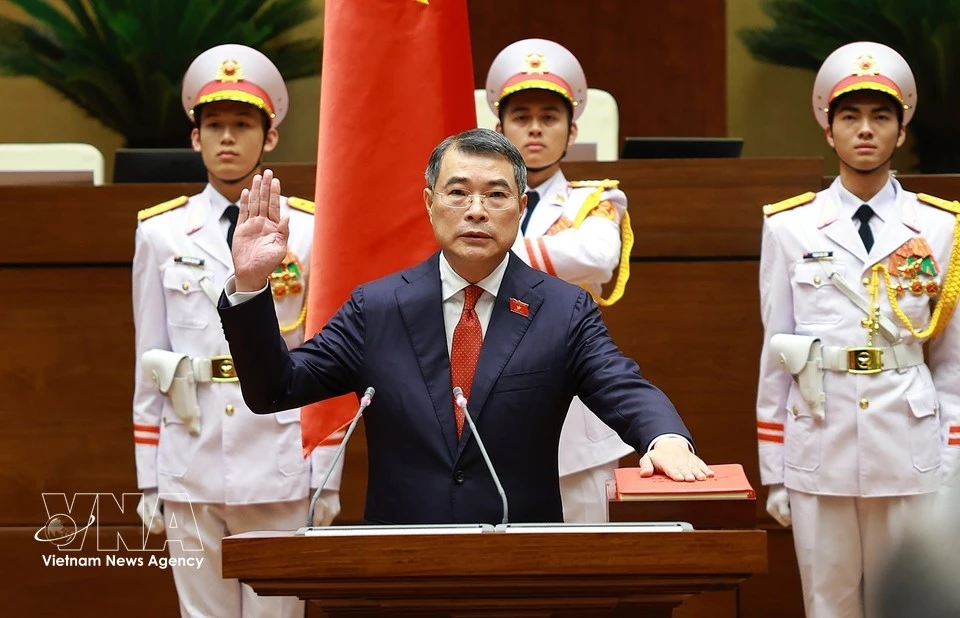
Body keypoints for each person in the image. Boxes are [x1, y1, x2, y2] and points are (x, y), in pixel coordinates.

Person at [217, 128, 712, 525]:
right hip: (398, 564)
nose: (476, 210)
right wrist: (251, 285)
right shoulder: (378, 308)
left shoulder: (563, 310)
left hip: (520, 562)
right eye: (458, 193)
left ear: (520, 208)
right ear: (429, 202)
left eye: (496, 195)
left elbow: (621, 385)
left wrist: (665, 438)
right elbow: (275, 388)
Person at [131, 44, 342, 618]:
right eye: (214, 125)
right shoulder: (161, 233)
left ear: (269, 136)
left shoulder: (309, 230)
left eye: (243, 124)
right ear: (194, 137)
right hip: (190, 456)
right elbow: (150, 359)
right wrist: (149, 477)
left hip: (279, 456)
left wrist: (327, 473)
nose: (227, 137)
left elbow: (328, 359)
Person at [755, 41, 960, 618]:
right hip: (821, 440)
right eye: (850, 116)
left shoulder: (940, 227)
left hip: (910, 445)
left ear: (901, 129)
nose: (865, 130)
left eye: (880, 116)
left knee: (912, 607)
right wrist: (774, 470)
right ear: (829, 129)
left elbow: (951, 361)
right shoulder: (790, 226)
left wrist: (953, 463)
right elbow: (776, 352)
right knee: (828, 604)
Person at [486, 38, 635, 523]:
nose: (534, 128)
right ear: (498, 129)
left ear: (572, 131)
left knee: (584, 561)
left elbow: (597, 257)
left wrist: (487, 252)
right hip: (489, 410)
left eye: (549, 117)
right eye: (521, 116)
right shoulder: (474, 201)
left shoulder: (595, 201)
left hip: (576, 425)